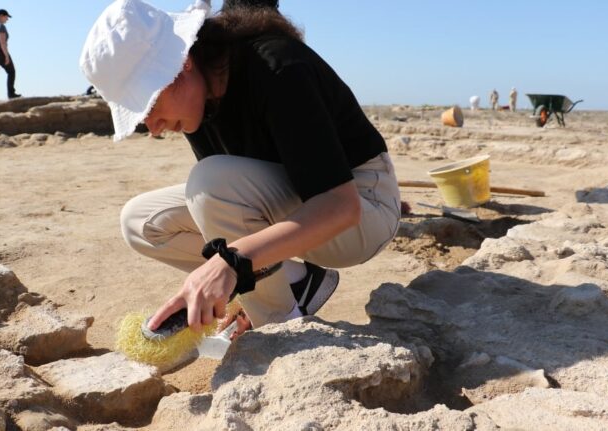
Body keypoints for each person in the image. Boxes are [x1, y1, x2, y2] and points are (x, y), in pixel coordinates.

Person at [81, 0, 400, 337]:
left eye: (148, 104)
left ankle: (282, 328)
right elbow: (223, 213)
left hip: (363, 208)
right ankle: (293, 284)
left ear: (182, 64)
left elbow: (341, 206)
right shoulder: (199, 101)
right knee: (139, 222)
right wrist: (238, 273)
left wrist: (232, 263)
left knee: (211, 183)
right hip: (297, 203)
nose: (154, 127)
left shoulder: (278, 68)